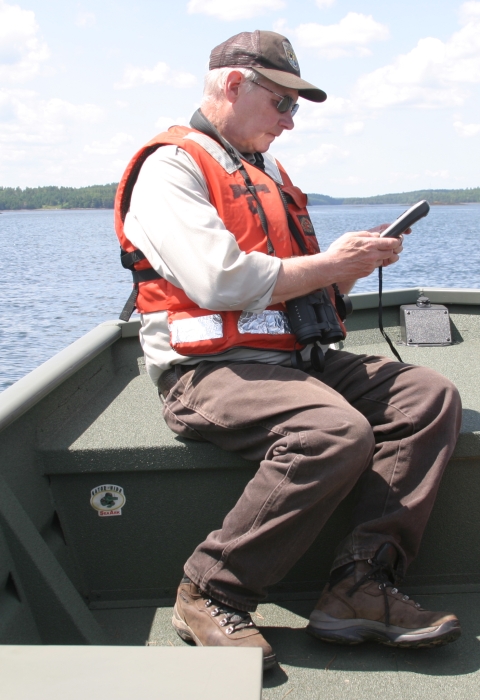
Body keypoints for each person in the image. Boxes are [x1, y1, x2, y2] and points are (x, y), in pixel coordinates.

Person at [115, 30, 462, 670]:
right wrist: (330, 263)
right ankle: (210, 590)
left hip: (289, 359)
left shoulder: (267, 170)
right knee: (335, 432)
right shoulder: (172, 168)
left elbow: (294, 282)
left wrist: (347, 268)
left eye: (295, 109)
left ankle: (359, 585)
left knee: (429, 396)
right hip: (207, 371)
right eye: (282, 104)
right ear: (234, 84)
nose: (289, 123)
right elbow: (222, 281)